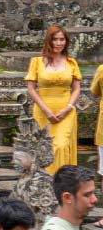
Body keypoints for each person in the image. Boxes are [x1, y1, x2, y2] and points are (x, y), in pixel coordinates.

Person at [27, 25, 83, 174]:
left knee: (61, 145)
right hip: (43, 111)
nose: (59, 43)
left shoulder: (71, 62)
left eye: (62, 39)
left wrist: (68, 107)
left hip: (66, 110)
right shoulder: (37, 62)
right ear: (48, 41)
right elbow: (31, 88)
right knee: (45, 147)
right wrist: (45, 110)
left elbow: (76, 88)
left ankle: (61, 182)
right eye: (55, 39)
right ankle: (43, 182)